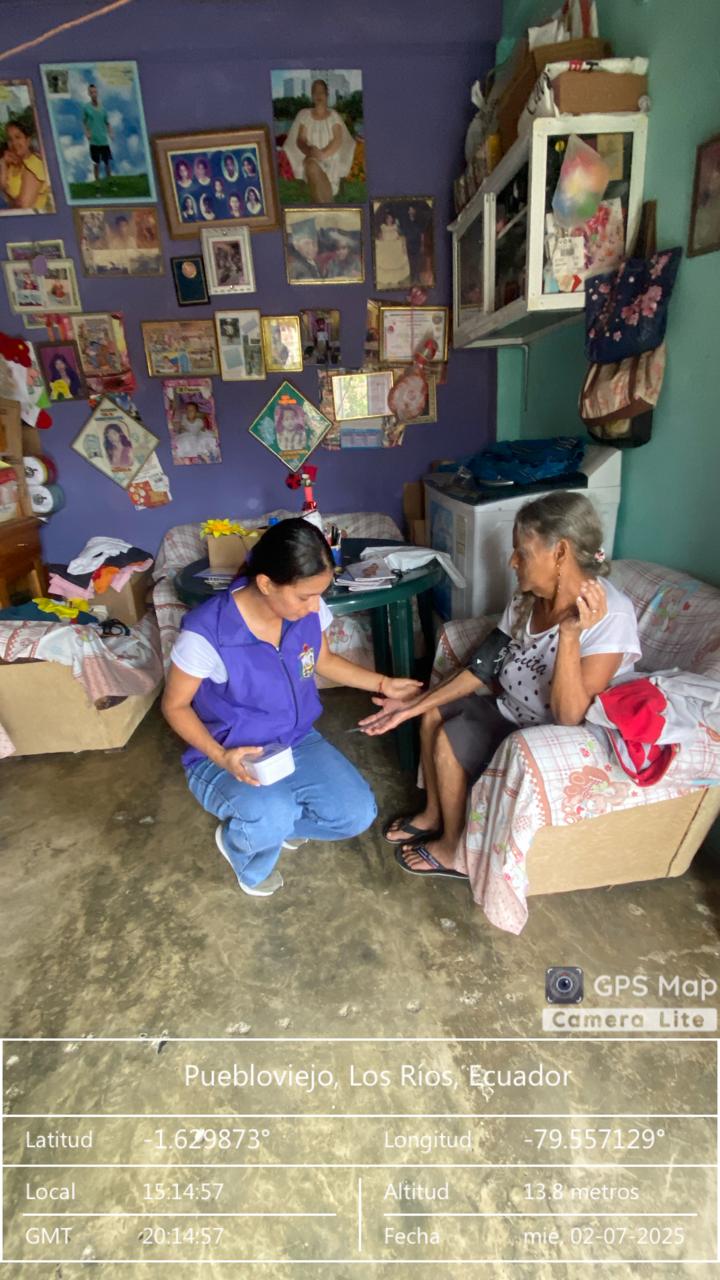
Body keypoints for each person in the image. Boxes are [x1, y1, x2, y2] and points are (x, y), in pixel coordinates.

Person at [362, 492, 642, 878]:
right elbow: (481, 667)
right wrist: (411, 706)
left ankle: (455, 850)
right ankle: (433, 815)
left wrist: (570, 635)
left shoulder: (612, 616)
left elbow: (569, 717)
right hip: (507, 710)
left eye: (522, 552)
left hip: (542, 735)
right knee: (432, 714)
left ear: (560, 553)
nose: (513, 561)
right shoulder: (529, 600)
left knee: (448, 738)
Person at [162, 519, 421, 896]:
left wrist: (384, 683)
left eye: (319, 594)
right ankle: (242, 847)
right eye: (304, 597)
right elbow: (175, 706)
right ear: (266, 583)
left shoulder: (308, 609)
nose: (315, 606)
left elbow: (323, 660)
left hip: (295, 739)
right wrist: (221, 757)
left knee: (354, 815)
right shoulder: (207, 633)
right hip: (227, 751)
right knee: (272, 814)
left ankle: (276, 825)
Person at [282, 78, 356, 204]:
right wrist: (310, 151)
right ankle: (328, 205)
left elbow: (338, 140)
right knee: (311, 165)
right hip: (312, 157)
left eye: (321, 92)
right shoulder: (305, 116)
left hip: (330, 157)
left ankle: (323, 206)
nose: (318, 95)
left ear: (327, 95)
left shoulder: (333, 116)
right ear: (312, 96)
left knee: (321, 183)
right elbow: (301, 140)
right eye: (315, 92)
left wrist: (323, 154)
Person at [0, 119, 51, 211]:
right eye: (10, 139)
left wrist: (4, 196)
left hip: (29, 218)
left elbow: (23, 206)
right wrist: (3, 163)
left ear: (28, 140)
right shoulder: (14, 165)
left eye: (18, 137)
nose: (14, 143)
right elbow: (2, 186)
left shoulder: (34, 164)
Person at [82, 83, 113, 185]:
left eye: (95, 92)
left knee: (107, 162)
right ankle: (97, 183)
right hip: (94, 141)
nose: (94, 94)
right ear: (89, 94)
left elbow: (107, 123)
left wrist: (111, 133)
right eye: (91, 92)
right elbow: (84, 122)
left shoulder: (103, 109)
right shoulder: (86, 107)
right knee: (96, 163)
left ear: (97, 93)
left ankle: (110, 183)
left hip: (103, 140)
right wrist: (87, 133)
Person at [375, 209, 410, 289]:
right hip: (386, 249)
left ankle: (396, 280)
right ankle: (388, 280)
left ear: (393, 219)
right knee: (387, 264)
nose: (389, 220)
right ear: (385, 219)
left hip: (395, 249)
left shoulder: (396, 227)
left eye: (390, 218)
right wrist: (380, 240)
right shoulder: (383, 227)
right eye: (388, 218)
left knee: (396, 264)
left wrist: (402, 244)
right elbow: (380, 238)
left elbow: (401, 237)